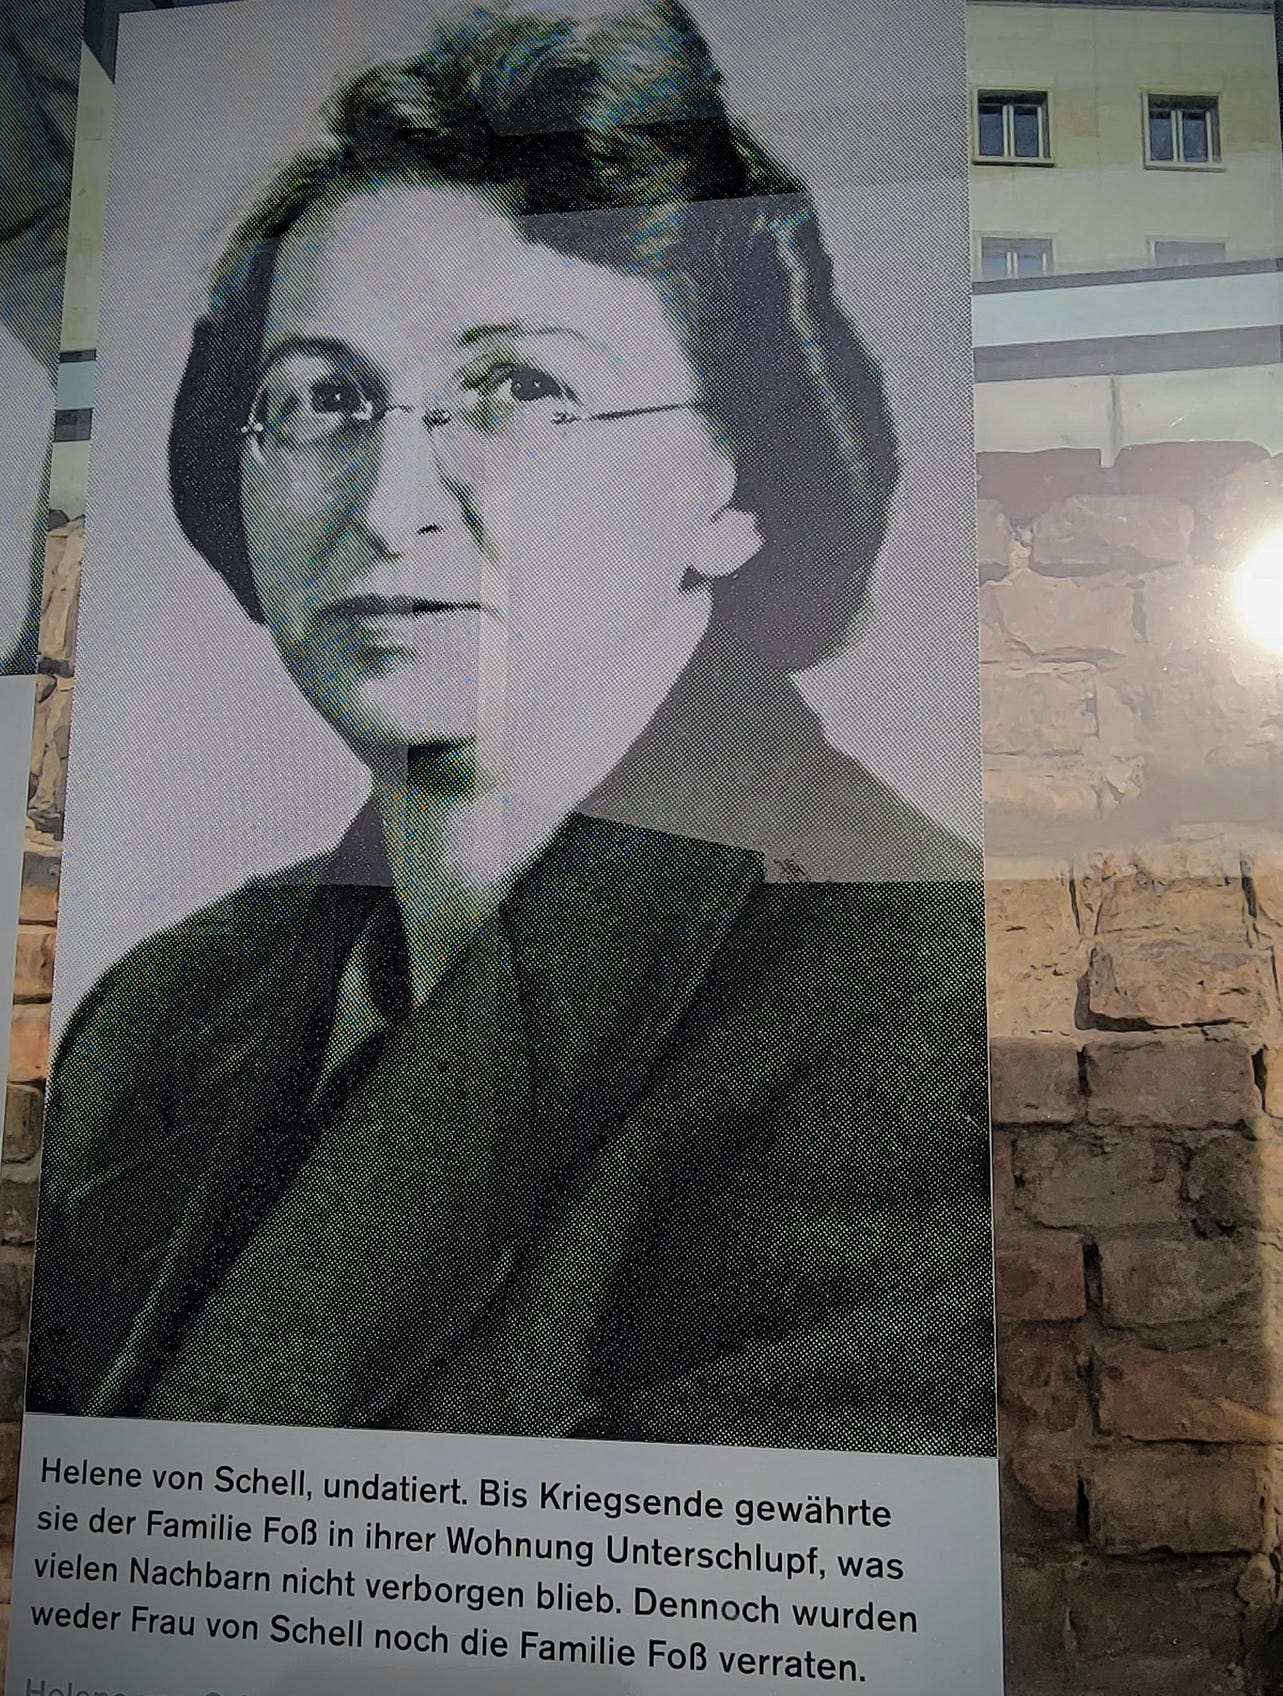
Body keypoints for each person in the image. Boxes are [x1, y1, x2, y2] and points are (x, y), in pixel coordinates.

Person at [28, 0, 993, 1456]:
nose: (385, 501)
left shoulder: (913, 998)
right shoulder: (158, 1013)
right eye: (323, 400)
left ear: (732, 482)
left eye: (520, 389)